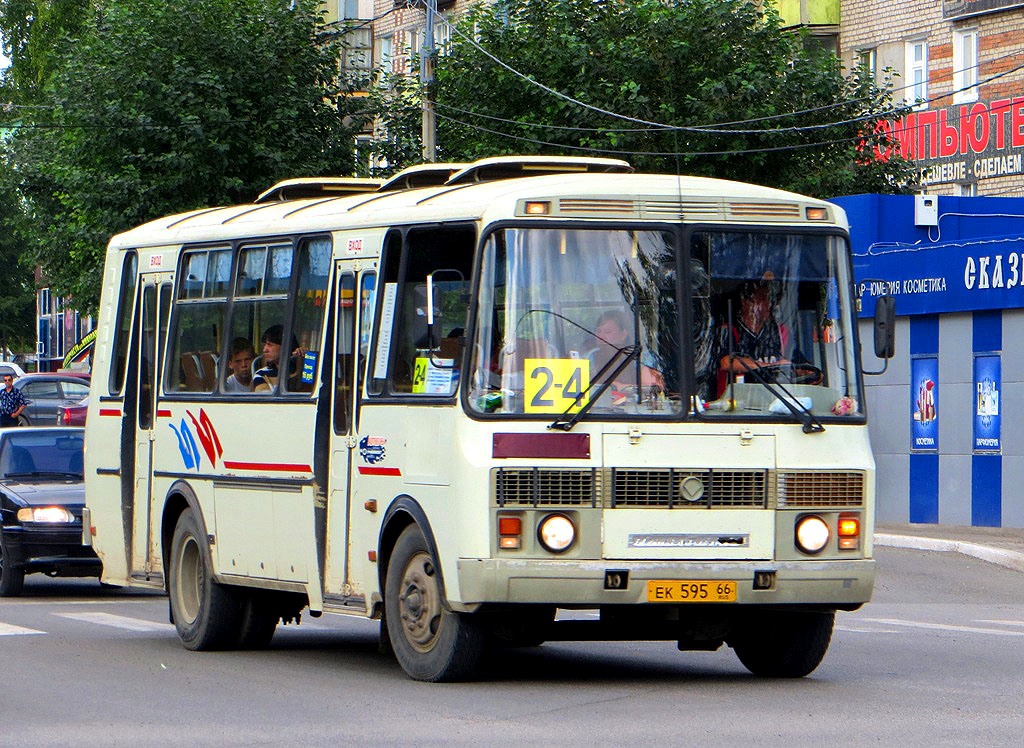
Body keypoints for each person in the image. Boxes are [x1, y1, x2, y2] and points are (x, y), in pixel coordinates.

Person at [590, 310, 663, 388]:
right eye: (598, 331)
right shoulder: (591, 356)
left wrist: (619, 387)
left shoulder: (641, 357)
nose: (601, 336)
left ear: (623, 334)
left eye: (608, 332)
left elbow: (653, 389)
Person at [252, 325, 304, 393]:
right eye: (264, 345)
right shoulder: (261, 374)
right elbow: (266, 399)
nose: (264, 350)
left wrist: (303, 361)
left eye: (269, 345)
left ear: (285, 346)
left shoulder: (303, 368)